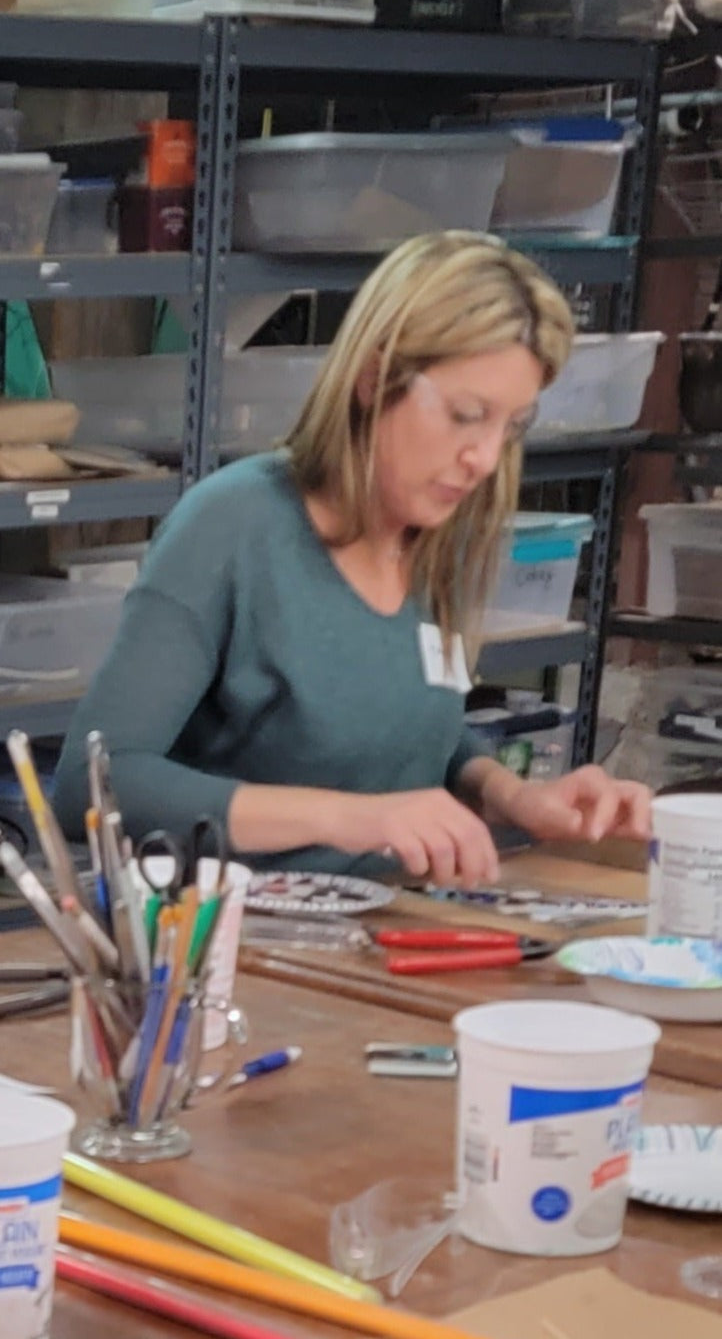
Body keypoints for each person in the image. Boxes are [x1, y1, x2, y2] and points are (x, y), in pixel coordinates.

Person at [54, 231, 650, 885]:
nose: (484, 458)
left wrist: (514, 797)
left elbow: (412, 725)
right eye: (464, 414)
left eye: (510, 428)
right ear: (373, 379)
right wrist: (352, 818)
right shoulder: (232, 527)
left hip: (389, 924)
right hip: (233, 944)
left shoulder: (436, 527)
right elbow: (93, 784)